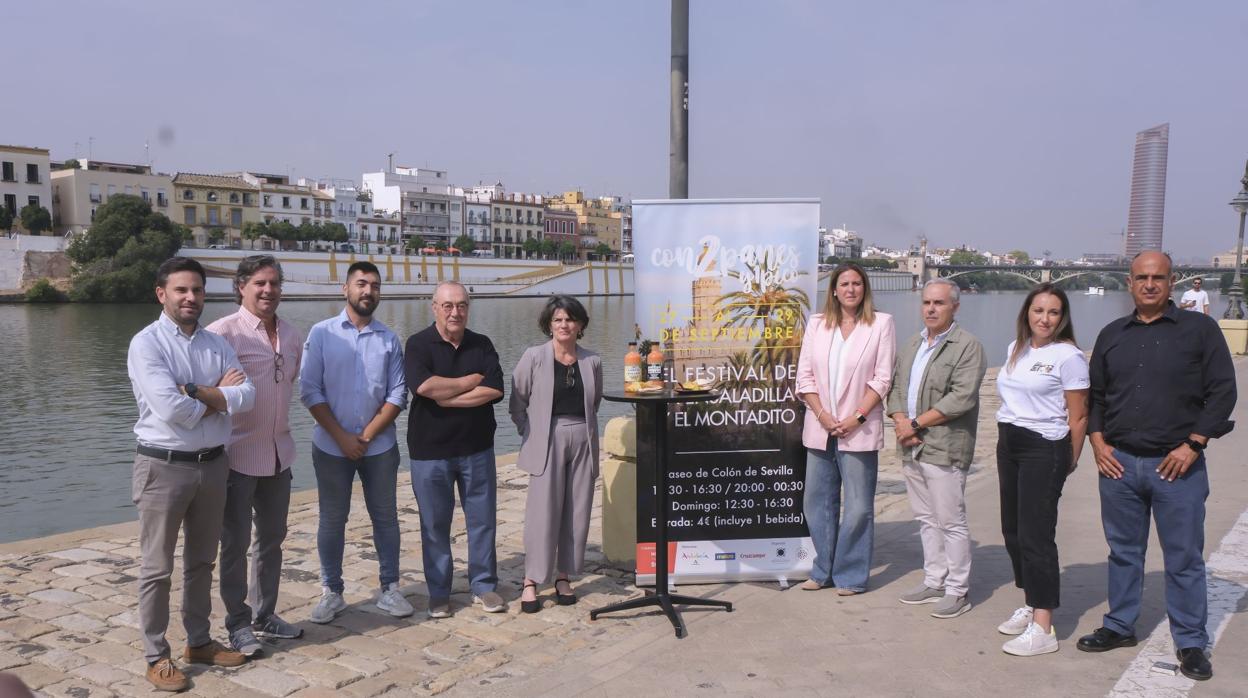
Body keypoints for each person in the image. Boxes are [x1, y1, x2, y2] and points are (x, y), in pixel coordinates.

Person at [1077, 251, 1236, 682]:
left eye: (1158, 277)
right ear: (1129, 282)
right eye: (1142, 277)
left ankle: (1190, 641)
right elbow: (1098, 397)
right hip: (1120, 465)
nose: (1150, 284)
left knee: (1183, 558)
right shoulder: (1112, 334)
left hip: (1178, 466)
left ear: (1172, 282)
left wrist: (1194, 444)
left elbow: (1222, 392)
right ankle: (1120, 625)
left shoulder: (1200, 330)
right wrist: (1096, 441)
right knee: (1124, 552)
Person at [127, 257, 256, 691]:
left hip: (212, 465)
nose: (190, 298)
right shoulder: (147, 345)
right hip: (163, 466)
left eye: (197, 290)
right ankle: (156, 655)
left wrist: (198, 391)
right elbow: (172, 411)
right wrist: (218, 394)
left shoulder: (215, 342)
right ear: (161, 293)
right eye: (181, 290)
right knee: (157, 567)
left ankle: (199, 641)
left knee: (202, 561)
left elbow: (248, 395)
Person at [300, 261, 412, 624]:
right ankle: (332, 591)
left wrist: (363, 437)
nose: (368, 291)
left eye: (375, 286)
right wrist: (342, 437)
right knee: (332, 519)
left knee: (386, 518)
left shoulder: (388, 338)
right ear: (344, 289)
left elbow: (398, 393)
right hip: (331, 447)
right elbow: (310, 390)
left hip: (378, 447)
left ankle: (390, 588)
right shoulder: (320, 334)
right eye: (361, 284)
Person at [206, 256, 304, 657]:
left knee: (272, 541)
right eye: (260, 283)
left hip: (281, 454)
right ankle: (237, 623)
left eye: (275, 283)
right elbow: (204, 392)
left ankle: (265, 614)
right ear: (242, 287)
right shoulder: (221, 334)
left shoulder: (294, 335)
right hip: (236, 457)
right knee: (234, 543)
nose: (269, 290)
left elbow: (290, 382)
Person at [993, 284, 1088, 656]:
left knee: (1036, 536)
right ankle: (1032, 602)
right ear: (1026, 314)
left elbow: (1078, 415)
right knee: (1013, 531)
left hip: (1044, 446)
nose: (1044, 319)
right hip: (1009, 441)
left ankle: (1044, 627)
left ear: (1061, 317)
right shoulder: (1015, 349)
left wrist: (1069, 460)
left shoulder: (1068, 356)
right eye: (1038, 311)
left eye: (1052, 312)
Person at [886, 278, 986, 619]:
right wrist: (901, 422)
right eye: (927, 303)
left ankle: (958, 590)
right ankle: (934, 579)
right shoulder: (913, 344)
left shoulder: (967, 346)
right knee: (926, 519)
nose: (931, 309)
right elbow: (897, 387)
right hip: (910, 445)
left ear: (954, 307)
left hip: (944, 446)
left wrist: (915, 425)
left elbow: (961, 397)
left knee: (950, 520)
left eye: (939, 303)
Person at [405, 281, 507, 618]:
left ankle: (484, 585)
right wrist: (468, 382)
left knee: (482, 520)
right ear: (434, 307)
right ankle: (439, 593)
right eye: (448, 305)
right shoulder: (418, 344)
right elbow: (423, 385)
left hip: (477, 447)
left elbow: (494, 389)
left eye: (461, 305)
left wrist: (446, 397)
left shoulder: (482, 344)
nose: (455, 312)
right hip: (429, 451)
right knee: (434, 524)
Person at [795, 263, 895, 594]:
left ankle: (851, 575)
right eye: (844, 283)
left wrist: (857, 417)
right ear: (834, 290)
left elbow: (882, 378)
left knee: (859, 508)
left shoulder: (882, 324)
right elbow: (804, 376)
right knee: (816, 503)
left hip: (859, 429)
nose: (850, 289)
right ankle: (822, 569)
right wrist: (822, 414)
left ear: (864, 289)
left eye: (856, 283)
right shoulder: (818, 324)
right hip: (820, 426)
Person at [510, 296, 604, 613]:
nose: (564, 325)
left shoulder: (592, 361)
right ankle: (531, 580)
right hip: (546, 438)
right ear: (549, 325)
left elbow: (594, 403)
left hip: (582, 438)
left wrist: (582, 432)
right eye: (558, 320)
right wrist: (531, 431)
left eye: (570, 319)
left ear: (580, 325)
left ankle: (563, 575)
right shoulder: (533, 357)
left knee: (576, 511)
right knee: (543, 513)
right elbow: (518, 400)